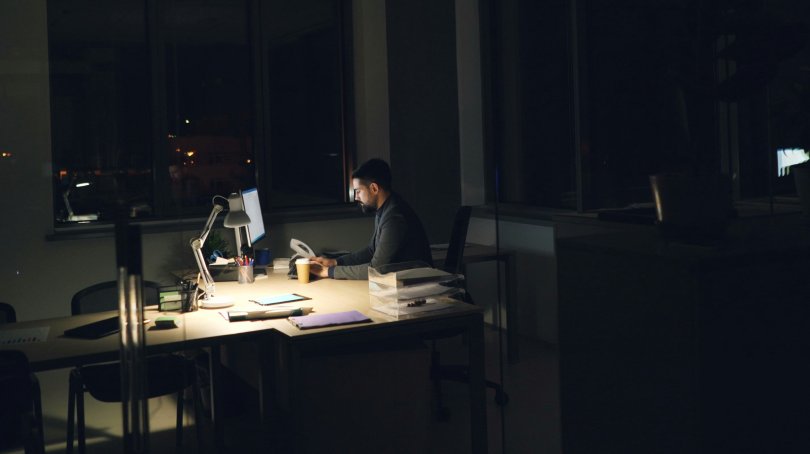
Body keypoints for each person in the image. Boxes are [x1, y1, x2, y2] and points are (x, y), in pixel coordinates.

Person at [310, 158, 433, 279]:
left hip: (418, 287)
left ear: (374, 188)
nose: (356, 197)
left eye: (358, 191)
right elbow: (371, 250)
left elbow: (376, 269)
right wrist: (335, 262)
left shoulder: (395, 217)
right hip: (402, 284)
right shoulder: (385, 208)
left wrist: (328, 272)